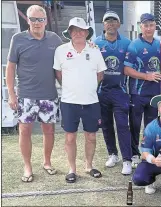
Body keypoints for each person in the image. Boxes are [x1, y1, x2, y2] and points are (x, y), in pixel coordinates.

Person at [6, 5, 62, 182]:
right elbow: (10, 68)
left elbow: (67, 59)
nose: (36, 23)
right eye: (33, 19)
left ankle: (47, 162)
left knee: (49, 131)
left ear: (45, 20)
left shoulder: (55, 39)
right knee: (25, 131)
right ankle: (27, 166)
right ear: (27, 20)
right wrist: (12, 94)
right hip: (26, 96)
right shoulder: (18, 39)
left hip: (49, 94)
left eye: (40, 19)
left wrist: (88, 43)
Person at [53, 17, 107, 183]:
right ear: (69, 32)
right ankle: (72, 169)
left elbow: (100, 74)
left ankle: (89, 166)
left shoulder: (95, 50)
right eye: (74, 30)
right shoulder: (61, 50)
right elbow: (59, 74)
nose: (77, 33)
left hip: (91, 101)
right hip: (69, 102)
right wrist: (72, 87)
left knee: (91, 136)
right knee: (70, 137)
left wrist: (88, 87)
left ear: (86, 32)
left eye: (81, 30)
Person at [94, 11, 132, 175]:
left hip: (120, 90)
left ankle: (127, 160)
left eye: (113, 21)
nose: (110, 24)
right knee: (106, 125)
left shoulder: (126, 43)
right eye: (107, 21)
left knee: (123, 125)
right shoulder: (95, 43)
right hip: (102, 91)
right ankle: (112, 154)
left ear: (118, 24)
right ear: (103, 24)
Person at [124, 13, 161, 169]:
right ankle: (134, 154)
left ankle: (148, 153)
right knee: (135, 124)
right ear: (141, 26)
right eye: (145, 25)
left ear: (155, 26)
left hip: (155, 94)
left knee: (151, 126)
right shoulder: (134, 45)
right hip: (137, 94)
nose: (148, 28)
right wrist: (146, 76)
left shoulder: (160, 44)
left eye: (151, 25)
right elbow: (126, 69)